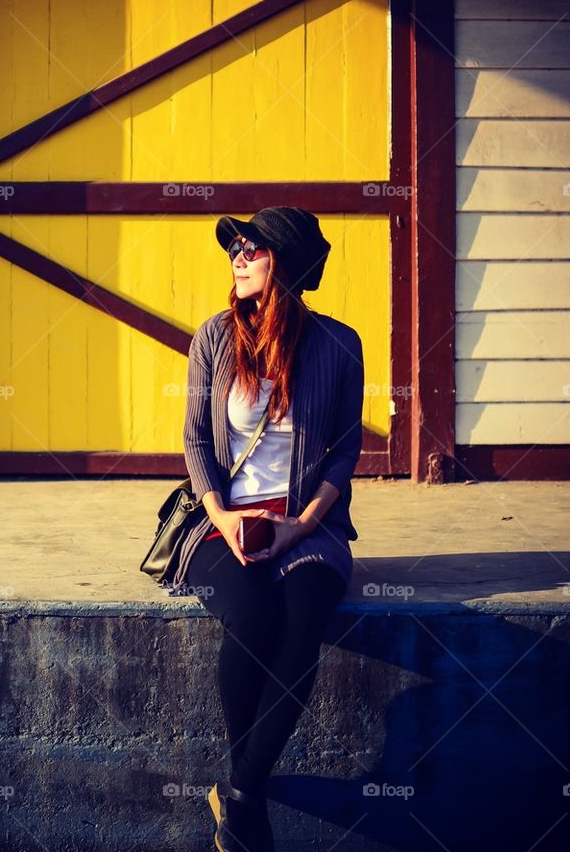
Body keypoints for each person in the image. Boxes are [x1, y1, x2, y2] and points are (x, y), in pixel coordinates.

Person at [176, 207, 365, 852]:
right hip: (224, 524)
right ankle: (247, 798)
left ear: (283, 263)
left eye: (252, 247)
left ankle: (240, 794)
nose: (237, 254)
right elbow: (196, 438)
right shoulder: (214, 338)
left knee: (304, 615)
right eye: (235, 246)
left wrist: (304, 523)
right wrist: (223, 516)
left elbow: (344, 451)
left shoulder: (340, 344)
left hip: (308, 526)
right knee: (254, 617)